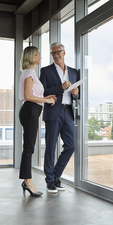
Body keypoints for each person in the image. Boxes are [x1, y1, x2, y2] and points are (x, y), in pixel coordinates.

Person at [40, 42, 79, 193]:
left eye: (58, 52)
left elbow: (77, 94)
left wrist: (76, 94)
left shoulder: (74, 72)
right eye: (53, 53)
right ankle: (50, 180)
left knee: (71, 146)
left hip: (68, 112)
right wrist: (60, 88)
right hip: (53, 112)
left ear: (64, 52)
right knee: (50, 146)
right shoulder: (46, 71)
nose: (56, 55)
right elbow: (43, 92)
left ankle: (56, 176)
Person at [18, 46, 56, 197]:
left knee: (29, 147)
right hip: (30, 110)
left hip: (32, 111)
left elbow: (34, 93)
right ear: (32, 57)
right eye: (38, 55)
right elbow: (28, 96)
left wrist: (46, 97)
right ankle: (28, 181)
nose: (40, 57)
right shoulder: (29, 72)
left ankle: (26, 180)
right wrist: (46, 100)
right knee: (29, 148)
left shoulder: (31, 73)